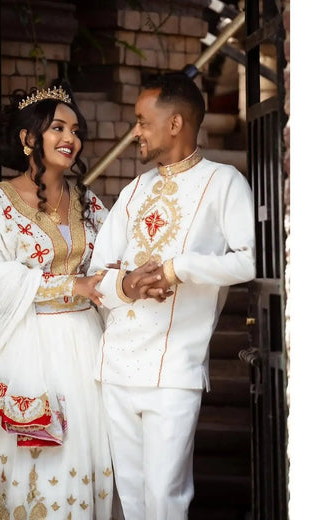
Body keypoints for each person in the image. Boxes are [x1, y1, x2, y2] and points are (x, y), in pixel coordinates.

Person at [0, 79, 116, 520]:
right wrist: (68, 285)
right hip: (25, 347)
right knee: (25, 465)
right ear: (27, 138)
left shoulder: (90, 203)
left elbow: (115, 258)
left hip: (86, 345)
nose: (71, 139)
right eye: (59, 128)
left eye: (76, 130)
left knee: (87, 455)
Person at [88, 72, 256, 520]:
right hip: (117, 366)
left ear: (176, 123)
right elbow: (95, 271)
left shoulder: (224, 182)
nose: (136, 132)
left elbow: (250, 260)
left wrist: (176, 268)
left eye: (143, 121)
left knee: (165, 500)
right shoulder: (134, 190)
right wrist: (126, 284)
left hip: (174, 369)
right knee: (129, 499)